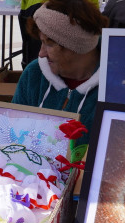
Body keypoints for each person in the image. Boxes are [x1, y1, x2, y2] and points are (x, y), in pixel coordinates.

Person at [12, 0, 107, 143]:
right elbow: (13, 131)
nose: (41, 53)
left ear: (75, 46)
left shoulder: (115, 86)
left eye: (48, 44)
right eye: (41, 42)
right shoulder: (34, 74)